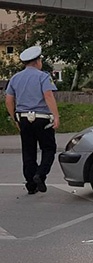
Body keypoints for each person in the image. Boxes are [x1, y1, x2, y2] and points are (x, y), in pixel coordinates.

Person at [4, 46, 60, 195]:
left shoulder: (15, 78)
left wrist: (14, 117)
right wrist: (56, 116)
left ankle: (31, 185)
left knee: (28, 152)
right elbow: (48, 96)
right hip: (42, 118)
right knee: (49, 148)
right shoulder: (43, 76)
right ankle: (40, 175)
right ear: (37, 61)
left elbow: (9, 100)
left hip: (23, 118)